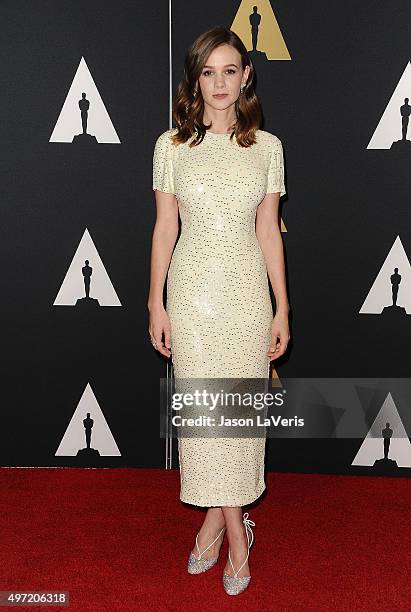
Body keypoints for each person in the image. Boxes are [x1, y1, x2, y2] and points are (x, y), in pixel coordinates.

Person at [148, 26, 290, 596]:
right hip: (191, 297)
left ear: (247, 75)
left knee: (236, 420)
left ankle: (218, 521)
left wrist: (282, 307)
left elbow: (268, 233)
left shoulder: (268, 147)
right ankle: (237, 532)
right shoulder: (172, 147)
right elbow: (165, 229)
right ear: (194, 79)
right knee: (207, 421)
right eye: (209, 72)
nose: (220, 83)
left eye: (230, 70)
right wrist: (155, 302)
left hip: (247, 298)